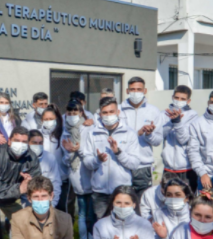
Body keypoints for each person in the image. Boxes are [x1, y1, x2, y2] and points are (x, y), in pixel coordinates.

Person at [82, 96, 140, 220]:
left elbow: (134, 163)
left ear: (118, 112)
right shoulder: (92, 133)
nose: (108, 115)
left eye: (111, 112)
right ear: (100, 114)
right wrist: (97, 160)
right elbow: (87, 161)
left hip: (122, 191)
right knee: (102, 226)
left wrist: (118, 152)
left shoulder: (129, 133)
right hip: (100, 192)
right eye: (105, 112)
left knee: (124, 224)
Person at [119, 77, 163, 205]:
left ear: (145, 90)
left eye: (139, 89)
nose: (136, 92)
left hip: (143, 166)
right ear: (127, 90)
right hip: (122, 164)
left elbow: (158, 141)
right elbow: (116, 137)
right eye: (132, 89)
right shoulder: (119, 110)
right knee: (123, 202)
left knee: (142, 203)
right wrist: (136, 133)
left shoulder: (153, 111)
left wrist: (149, 135)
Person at [61, 100, 94, 239]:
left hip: (90, 173)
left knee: (91, 215)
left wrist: (78, 150)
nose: (73, 116)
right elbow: (65, 159)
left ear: (82, 113)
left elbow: (91, 150)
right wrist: (68, 153)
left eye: (76, 112)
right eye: (70, 113)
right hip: (76, 174)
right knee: (82, 213)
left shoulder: (89, 127)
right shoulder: (65, 130)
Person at [161, 85, 199, 192]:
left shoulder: (192, 115)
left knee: (187, 200)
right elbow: (159, 136)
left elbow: (184, 139)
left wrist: (177, 122)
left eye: (183, 99)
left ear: (188, 100)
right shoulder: (163, 114)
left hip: (186, 168)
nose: (179, 101)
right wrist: (170, 122)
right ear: (172, 97)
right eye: (177, 98)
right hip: (168, 167)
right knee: (168, 199)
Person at [40, 106, 70, 212]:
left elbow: (67, 160)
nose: (48, 122)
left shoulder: (63, 134)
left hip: (62, 180)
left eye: (51, 119)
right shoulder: (38, 136)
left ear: (56, 119)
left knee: (61, 211)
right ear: (41, 120)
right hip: (42, 181)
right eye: (46, 119)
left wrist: (68, 152)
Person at [28, 130, 62, 206]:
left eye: (40, 143)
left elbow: (56, 183)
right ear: (28, 143)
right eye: (34, 143)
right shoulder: (22, 159)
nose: (38, 145)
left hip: (46, 202)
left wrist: (52, 204)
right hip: (28, 204)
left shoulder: (50, 158)